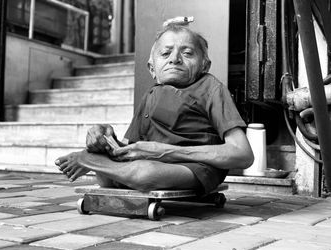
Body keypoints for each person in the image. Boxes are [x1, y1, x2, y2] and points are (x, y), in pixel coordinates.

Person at [55, 23, 254, 196]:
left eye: (187, 53)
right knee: (113, 169)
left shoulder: (211, 88)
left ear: (204, 65)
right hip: (147, 163)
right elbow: (126, 148)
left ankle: (87, 161)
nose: (175, 59)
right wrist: (105, 140)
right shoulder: (150, 96)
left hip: (194, 168)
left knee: (145, 172)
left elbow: (242, 154)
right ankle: (94, 160)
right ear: (152, 68)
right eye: (166, 53)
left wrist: (165, 152)